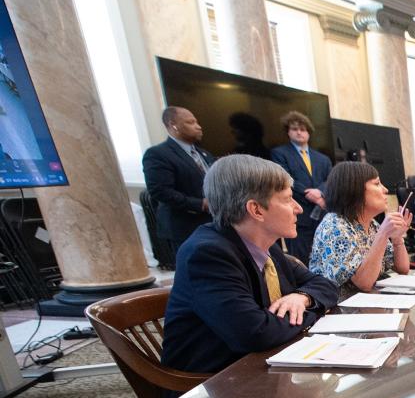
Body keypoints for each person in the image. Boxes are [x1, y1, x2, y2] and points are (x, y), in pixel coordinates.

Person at [161, 154, 337, 376]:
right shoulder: (207, 254)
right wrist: (311, 312)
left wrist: (302, 298)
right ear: (256, 210)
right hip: (213, 386)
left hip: (264, 366)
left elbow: (326, 285)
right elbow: (256, 333)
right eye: (287, 199)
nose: (298, 208)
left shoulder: (264, 244)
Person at [308, 161, 412, 293]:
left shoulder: (372, 224)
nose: (385, 190)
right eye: (377, 183)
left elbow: (402, 268)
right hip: (339, 308)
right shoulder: (334, 226)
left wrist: (397, 238)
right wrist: (383, 234)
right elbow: (363, 284)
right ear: (354, 188)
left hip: (367, 304)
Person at [141, 106, 215, 256]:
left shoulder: (204, 154)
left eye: (197, 122)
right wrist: (200, 204)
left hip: (211, 225)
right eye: (191, 122)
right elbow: (160, 191)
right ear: (173, 125)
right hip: (184, 228)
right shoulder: (158, 154)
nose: (198, 127)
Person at [269, 111, 332, 263]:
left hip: (322, 216)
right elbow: (283, 177)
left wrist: (319, 192)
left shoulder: (323, 158)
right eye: (294, 129)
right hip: (296, 217)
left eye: (303, 129)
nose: (299, 132)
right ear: (288, 132)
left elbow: (330, 179)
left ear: (308, 132)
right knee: (299, 262)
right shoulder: (279, 153)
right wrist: (307, 192)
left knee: (324, 259)